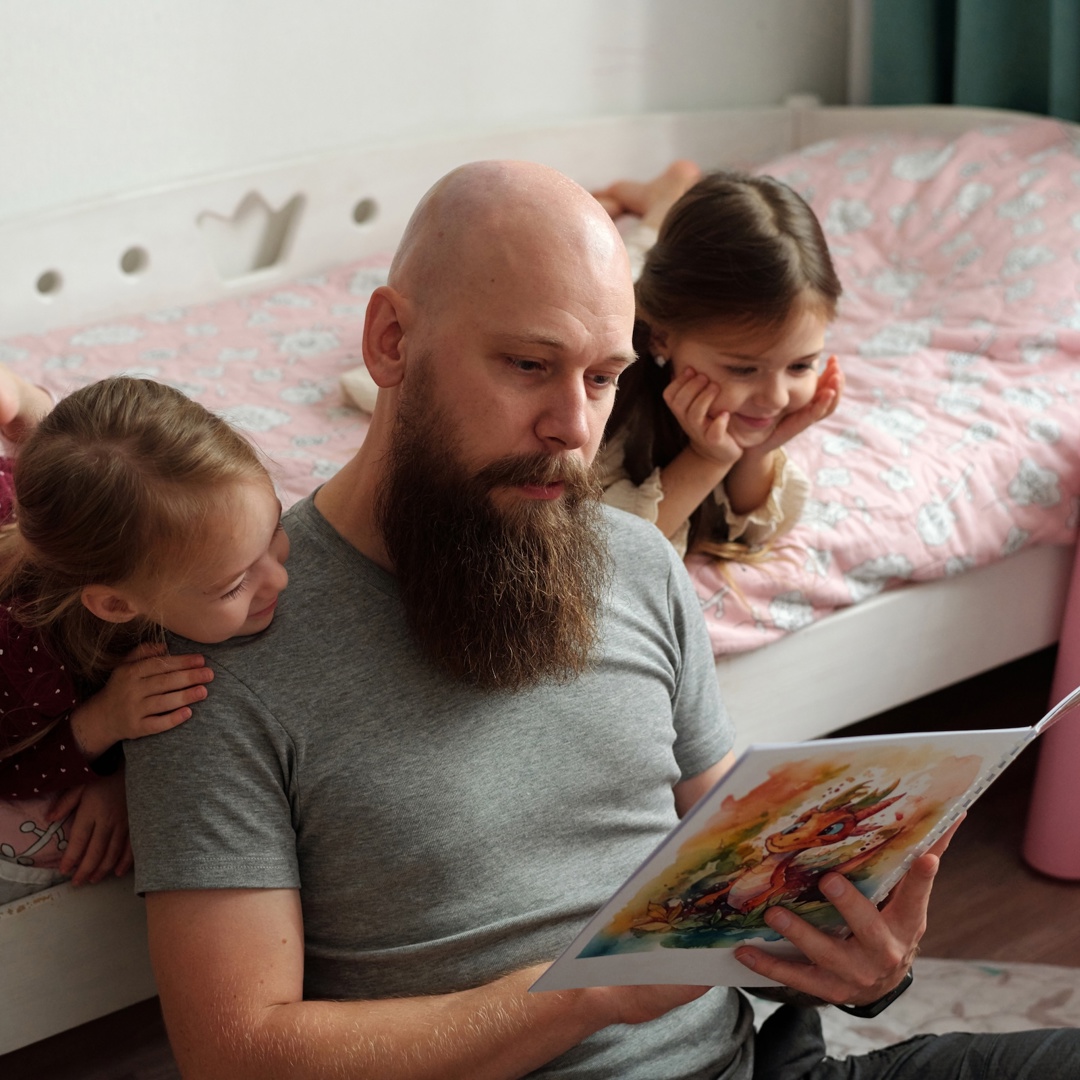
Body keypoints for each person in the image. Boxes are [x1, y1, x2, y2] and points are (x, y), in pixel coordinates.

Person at [124, 161, 1079, 1080]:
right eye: (530, 365)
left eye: (600, 378)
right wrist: (592, 996)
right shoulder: (223, 648)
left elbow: (735, 873)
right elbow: (237, 1054)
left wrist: (867, 965)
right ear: (390, 342)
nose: (574, 430)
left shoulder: (636, 564)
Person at [0, 375, 288, 900]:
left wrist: (123, 780)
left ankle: (24, 405)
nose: (280, 580)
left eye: (275, 534)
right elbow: (8, 765)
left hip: (43, 500)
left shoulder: (189, 522)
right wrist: (102, 726)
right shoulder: (28, 668)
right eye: (235, 584)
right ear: (116, 605)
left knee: (54, 449)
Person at [592, 161, 845, 562]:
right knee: (620, 262)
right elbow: (614, 554)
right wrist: (708, 459)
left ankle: (668, 195)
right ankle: (665, 199)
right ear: (663, 338)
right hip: (620, 299)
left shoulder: (745, 393)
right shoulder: (606, 394)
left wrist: (757, 453)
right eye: (743, 369)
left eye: (800, 366)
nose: (775, 398)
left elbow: (758, 532)